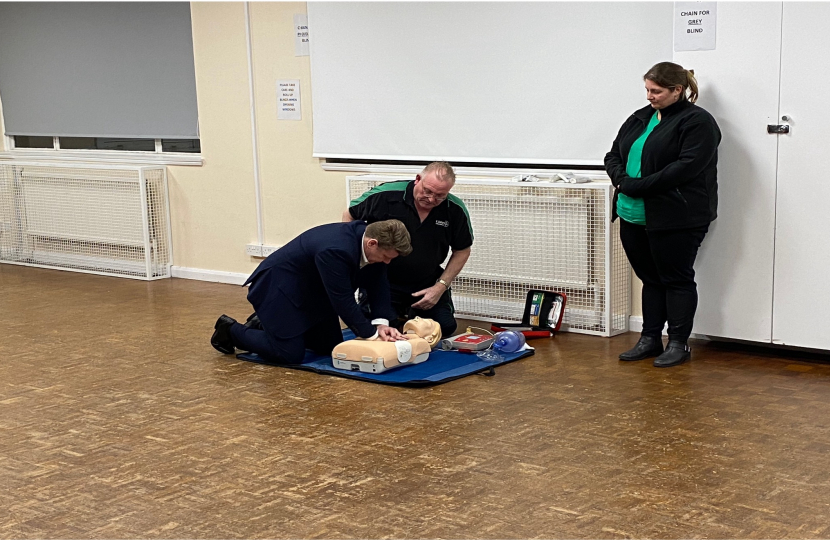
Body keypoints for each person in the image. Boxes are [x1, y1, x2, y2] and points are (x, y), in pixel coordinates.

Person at [604, 61, 721, 368]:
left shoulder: (698, 122)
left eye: (655, 91)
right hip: (631, 214)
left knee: (676, 279)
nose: (649, 96)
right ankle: (649, 339)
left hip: (677, 217)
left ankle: (679, 343)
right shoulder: (640, 118)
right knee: (650, 279)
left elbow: (685, 168)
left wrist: (638, 186)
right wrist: (621, 181)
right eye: (647, 89)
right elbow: (613, 154)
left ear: (677, 90)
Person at [210, 219, 413, 364]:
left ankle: (269, 325)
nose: (387, 262)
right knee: (290, 355)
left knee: (330, 348)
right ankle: (231, 330)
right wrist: (371, 334)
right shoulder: (336, 250)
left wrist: (380, 323)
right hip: (280, 289)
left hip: (313, 292)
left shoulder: (372, 243)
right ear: (372, 243)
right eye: (386, 256)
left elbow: (379, 286)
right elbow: (341, 300)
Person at [342, 161, 473, 338]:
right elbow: (349, 215)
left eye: (440, 196)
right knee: (377, 327)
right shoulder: (385, 195)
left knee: (444, 328)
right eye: (428, 191)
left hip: (427, 281)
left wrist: (440, 287)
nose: (432, 199)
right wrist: (359, 263)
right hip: (383, 279)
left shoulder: (455, 209)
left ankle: (411, 317)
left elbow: (462, 250)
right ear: (417, 179)